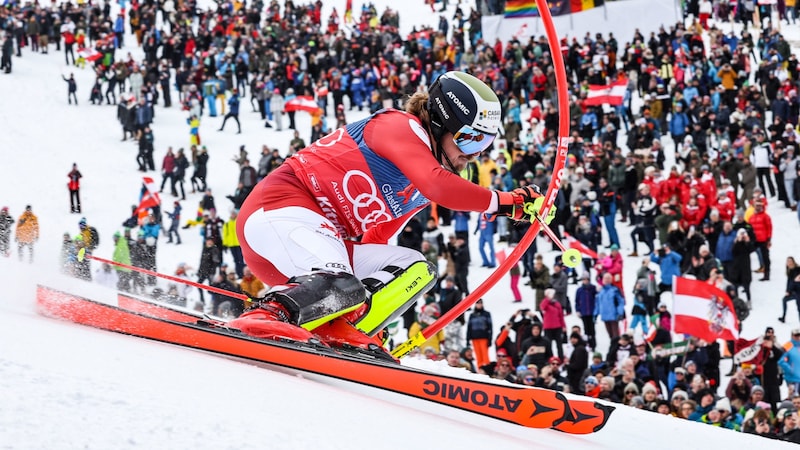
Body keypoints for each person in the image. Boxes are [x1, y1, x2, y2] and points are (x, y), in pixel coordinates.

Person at [233, 71, 548, 352]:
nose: (475, 154)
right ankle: (265, 316)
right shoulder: (399, 126)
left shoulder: (426, 178)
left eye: (485, 144)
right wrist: (504, 202)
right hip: (277, 213)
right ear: (439, 124)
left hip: (313, 251)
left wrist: (363, 300)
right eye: (469, 140)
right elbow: (439, 187)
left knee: (415, 269)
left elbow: (378, 234)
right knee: (342, 282)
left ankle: (341, 327)